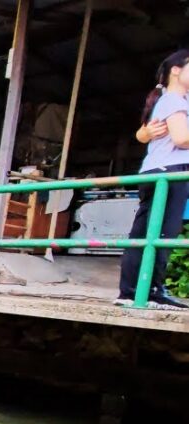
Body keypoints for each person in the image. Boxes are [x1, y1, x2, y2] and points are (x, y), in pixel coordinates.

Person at [118, 49, 189, 310]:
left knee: (151, 233)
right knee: (159, 234)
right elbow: (182, 138)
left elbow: (143, 134)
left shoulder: (175, 100)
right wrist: (144, 134)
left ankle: (137, 290)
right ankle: (144, 291)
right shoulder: (174, 99)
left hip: (162, 170)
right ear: (176, 70)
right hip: (167, 172)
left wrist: (144, 134)